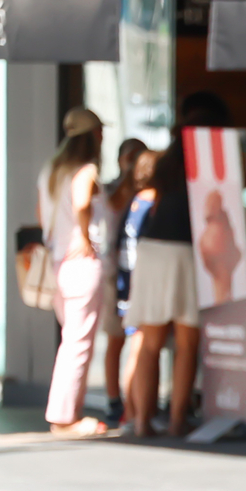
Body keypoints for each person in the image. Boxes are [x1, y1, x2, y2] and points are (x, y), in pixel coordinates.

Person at [37, 108, 108, 438]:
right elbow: (82, 203)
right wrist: (82, 234)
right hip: (80, 263)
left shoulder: (50, 171)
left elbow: (41, 216)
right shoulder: (85, 169)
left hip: (57, 264)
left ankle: (65, 414)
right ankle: (65, 417)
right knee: (78, 344)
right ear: (93, 136)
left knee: (71, 341)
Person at [129, 138, 199, 439]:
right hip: (184, 250)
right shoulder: (204, 161)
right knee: (187, 344)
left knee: (149, 343)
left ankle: (143, 420)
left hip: (152, 249)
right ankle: (176, 421)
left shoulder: (167, 164)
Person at [101, 137, 150, 429]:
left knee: (139, 339)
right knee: (115, 338)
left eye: (138, 157)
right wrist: (128, 179)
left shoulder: (147, 192)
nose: (132, 162)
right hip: (114, 273)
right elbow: (114, 205)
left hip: (140, 271)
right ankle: (113, 400)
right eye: (128, 156)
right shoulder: (111, 189)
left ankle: (137, 401)